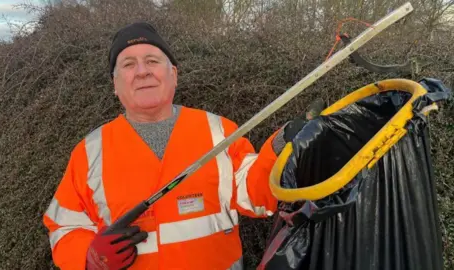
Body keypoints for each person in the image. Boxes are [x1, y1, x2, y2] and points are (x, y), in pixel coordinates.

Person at [42, 21, 325, 270]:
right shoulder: (90, 151)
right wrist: (88, 258)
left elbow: (256, 197)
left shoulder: (219, 131)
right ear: (115, 84)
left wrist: (279, 148)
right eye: (128, 64)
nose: (142, 71)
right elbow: (63, 226)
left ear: (173, 74)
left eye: (152, 60)